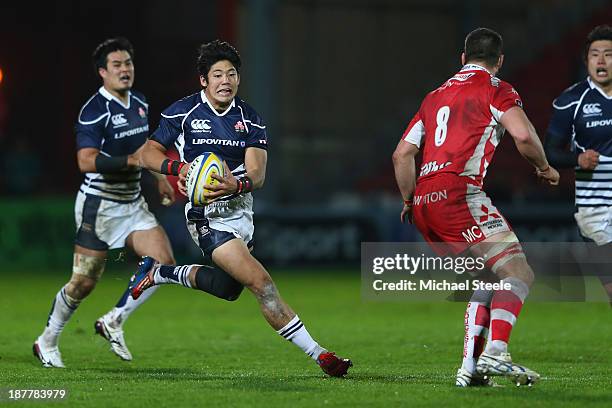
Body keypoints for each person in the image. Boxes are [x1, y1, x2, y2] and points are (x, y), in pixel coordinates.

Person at [127, 39, 352, 377]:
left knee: (228, 289)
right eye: (217, 74)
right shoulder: (183, 112)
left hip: (240, 212)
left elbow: (258, 174)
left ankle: (158, 273)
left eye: (231, 74)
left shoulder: (251, 120)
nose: (225, 80)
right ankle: (321, 355)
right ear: (204, 80)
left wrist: (238, 184)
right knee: (262, 284)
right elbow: (147, 153)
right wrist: (180, 169)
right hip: (207, 217)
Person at [392, 28, 559, 387]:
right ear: (499, 61)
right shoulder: (496, 89)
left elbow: (402, 154)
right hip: (459, 194)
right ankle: (497, 352)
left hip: (423, 202)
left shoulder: (433, 97)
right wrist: (544, 168)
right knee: (518, 273)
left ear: (462, 58)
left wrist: (409, 200)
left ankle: (470, 368)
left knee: (486, 278)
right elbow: (525, 135)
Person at [33, 38, 176, 368]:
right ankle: (47, 340)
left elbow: (145, 148)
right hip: (100, 206)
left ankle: (114, 319)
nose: (125, 70)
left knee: (162, 262)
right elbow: (85, 161)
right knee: (83, 282)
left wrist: (159, 177)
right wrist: (131, 162)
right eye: (117, 65)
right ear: (102, 72)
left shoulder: (139, 101)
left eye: (128, 63)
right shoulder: (94, 111)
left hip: (133, 202)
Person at [544, 25, 612, 305]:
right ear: (586, 61)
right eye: (595, 54)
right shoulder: (572, 100)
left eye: (608, 54)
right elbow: (548, 152)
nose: (601, 60)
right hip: (594, 209)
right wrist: (577, 159)